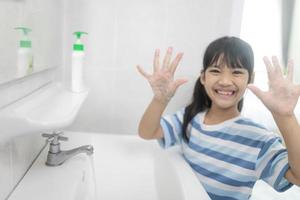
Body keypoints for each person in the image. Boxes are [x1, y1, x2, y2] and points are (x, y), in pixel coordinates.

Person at [136, 36, 300, 200]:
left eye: (236, 72)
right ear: (203, 77)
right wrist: (160, 99)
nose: (225, 81)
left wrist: (285, 117)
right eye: (215, 71)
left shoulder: (259, 140)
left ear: (251, 79)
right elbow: (147, 132)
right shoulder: (190, 118)